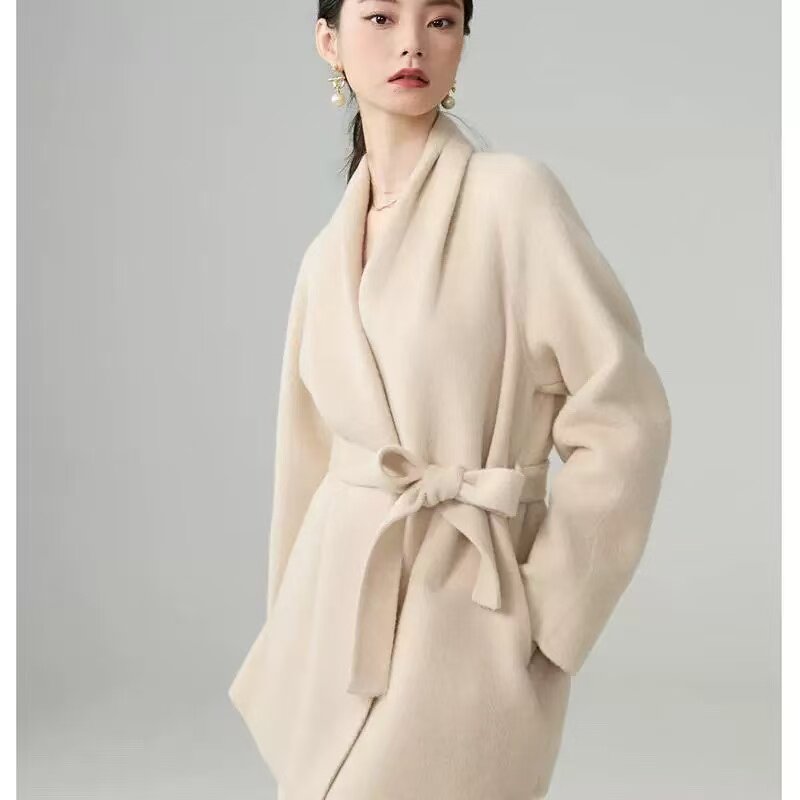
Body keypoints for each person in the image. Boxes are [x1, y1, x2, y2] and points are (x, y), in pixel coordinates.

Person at [229, 1, 672, 798]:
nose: (411, 43)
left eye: (440, 20)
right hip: (339, 616)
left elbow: (626, 416)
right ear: (329, 41)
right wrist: (291, 625)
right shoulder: (324, 258)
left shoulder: (515, 200)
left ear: (463, 40)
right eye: (380, 17)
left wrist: (550, 614)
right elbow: (305, 465)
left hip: (471, 608)